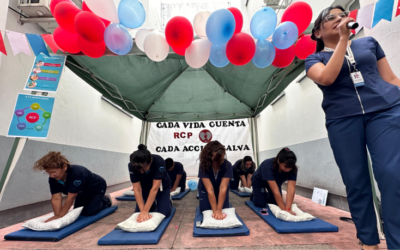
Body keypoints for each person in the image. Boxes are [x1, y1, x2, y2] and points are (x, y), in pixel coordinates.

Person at [306, 5, 400, 250]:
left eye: (342, 15)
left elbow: (389, 78)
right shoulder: (314, 59)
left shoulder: (368, 43)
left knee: (392, 177)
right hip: (342, 120)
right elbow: (327, 78)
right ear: (317, 32)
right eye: (331, 18)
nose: (339, 19)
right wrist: (343, 41)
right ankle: (369, 241)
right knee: (356, 182)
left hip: (385, 111)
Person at [33, 152, 112, 222]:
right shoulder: (53, 178)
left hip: (96, 189)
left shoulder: (77, 173)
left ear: (64, 167)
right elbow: (56, 198)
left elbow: (71, 197)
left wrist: (61, 216)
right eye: (48, 173)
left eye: (53, 172)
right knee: (78, 212)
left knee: (89, 212)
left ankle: (105, 200)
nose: (51, 175)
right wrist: (57, 216)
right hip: (81, 192)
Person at [129, 144, 172, 222]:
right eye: (139, 169)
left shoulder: (159, 161)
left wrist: (145, 211)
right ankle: (151, 205)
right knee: (138, 213)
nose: (141, 172)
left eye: (144, 168)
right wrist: (143, 211)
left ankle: (168, 201)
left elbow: (155, 189)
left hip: (161, 187)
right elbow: (137, 190)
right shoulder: (132, 165)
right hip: (145, 187)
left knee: (163, 214)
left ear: (151, 160)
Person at [250, 148, 298, 216]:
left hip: (275, 181)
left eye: (290, 168)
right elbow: (275, 191)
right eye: (285, 167)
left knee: (275, 203)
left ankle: (264, 194)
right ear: (278, 160)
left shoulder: (293, 169)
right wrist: (283, 210)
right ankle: (255, 194)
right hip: (259, 181)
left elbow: (291, 189)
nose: (287, 170)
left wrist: (288, 209)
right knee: (260, 204)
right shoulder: (268, 164)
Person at [198, 141, 233, 219]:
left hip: (221, 190)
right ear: (209, 157)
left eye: (221, 159)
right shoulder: (203, 165)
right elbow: (209, 189)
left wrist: (219, 210)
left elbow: (223, 187)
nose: (219, 162)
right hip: (206, 190)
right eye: (216, 160)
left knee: (224, 210)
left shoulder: (227, 165)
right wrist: (215, 211)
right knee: (206, 210)